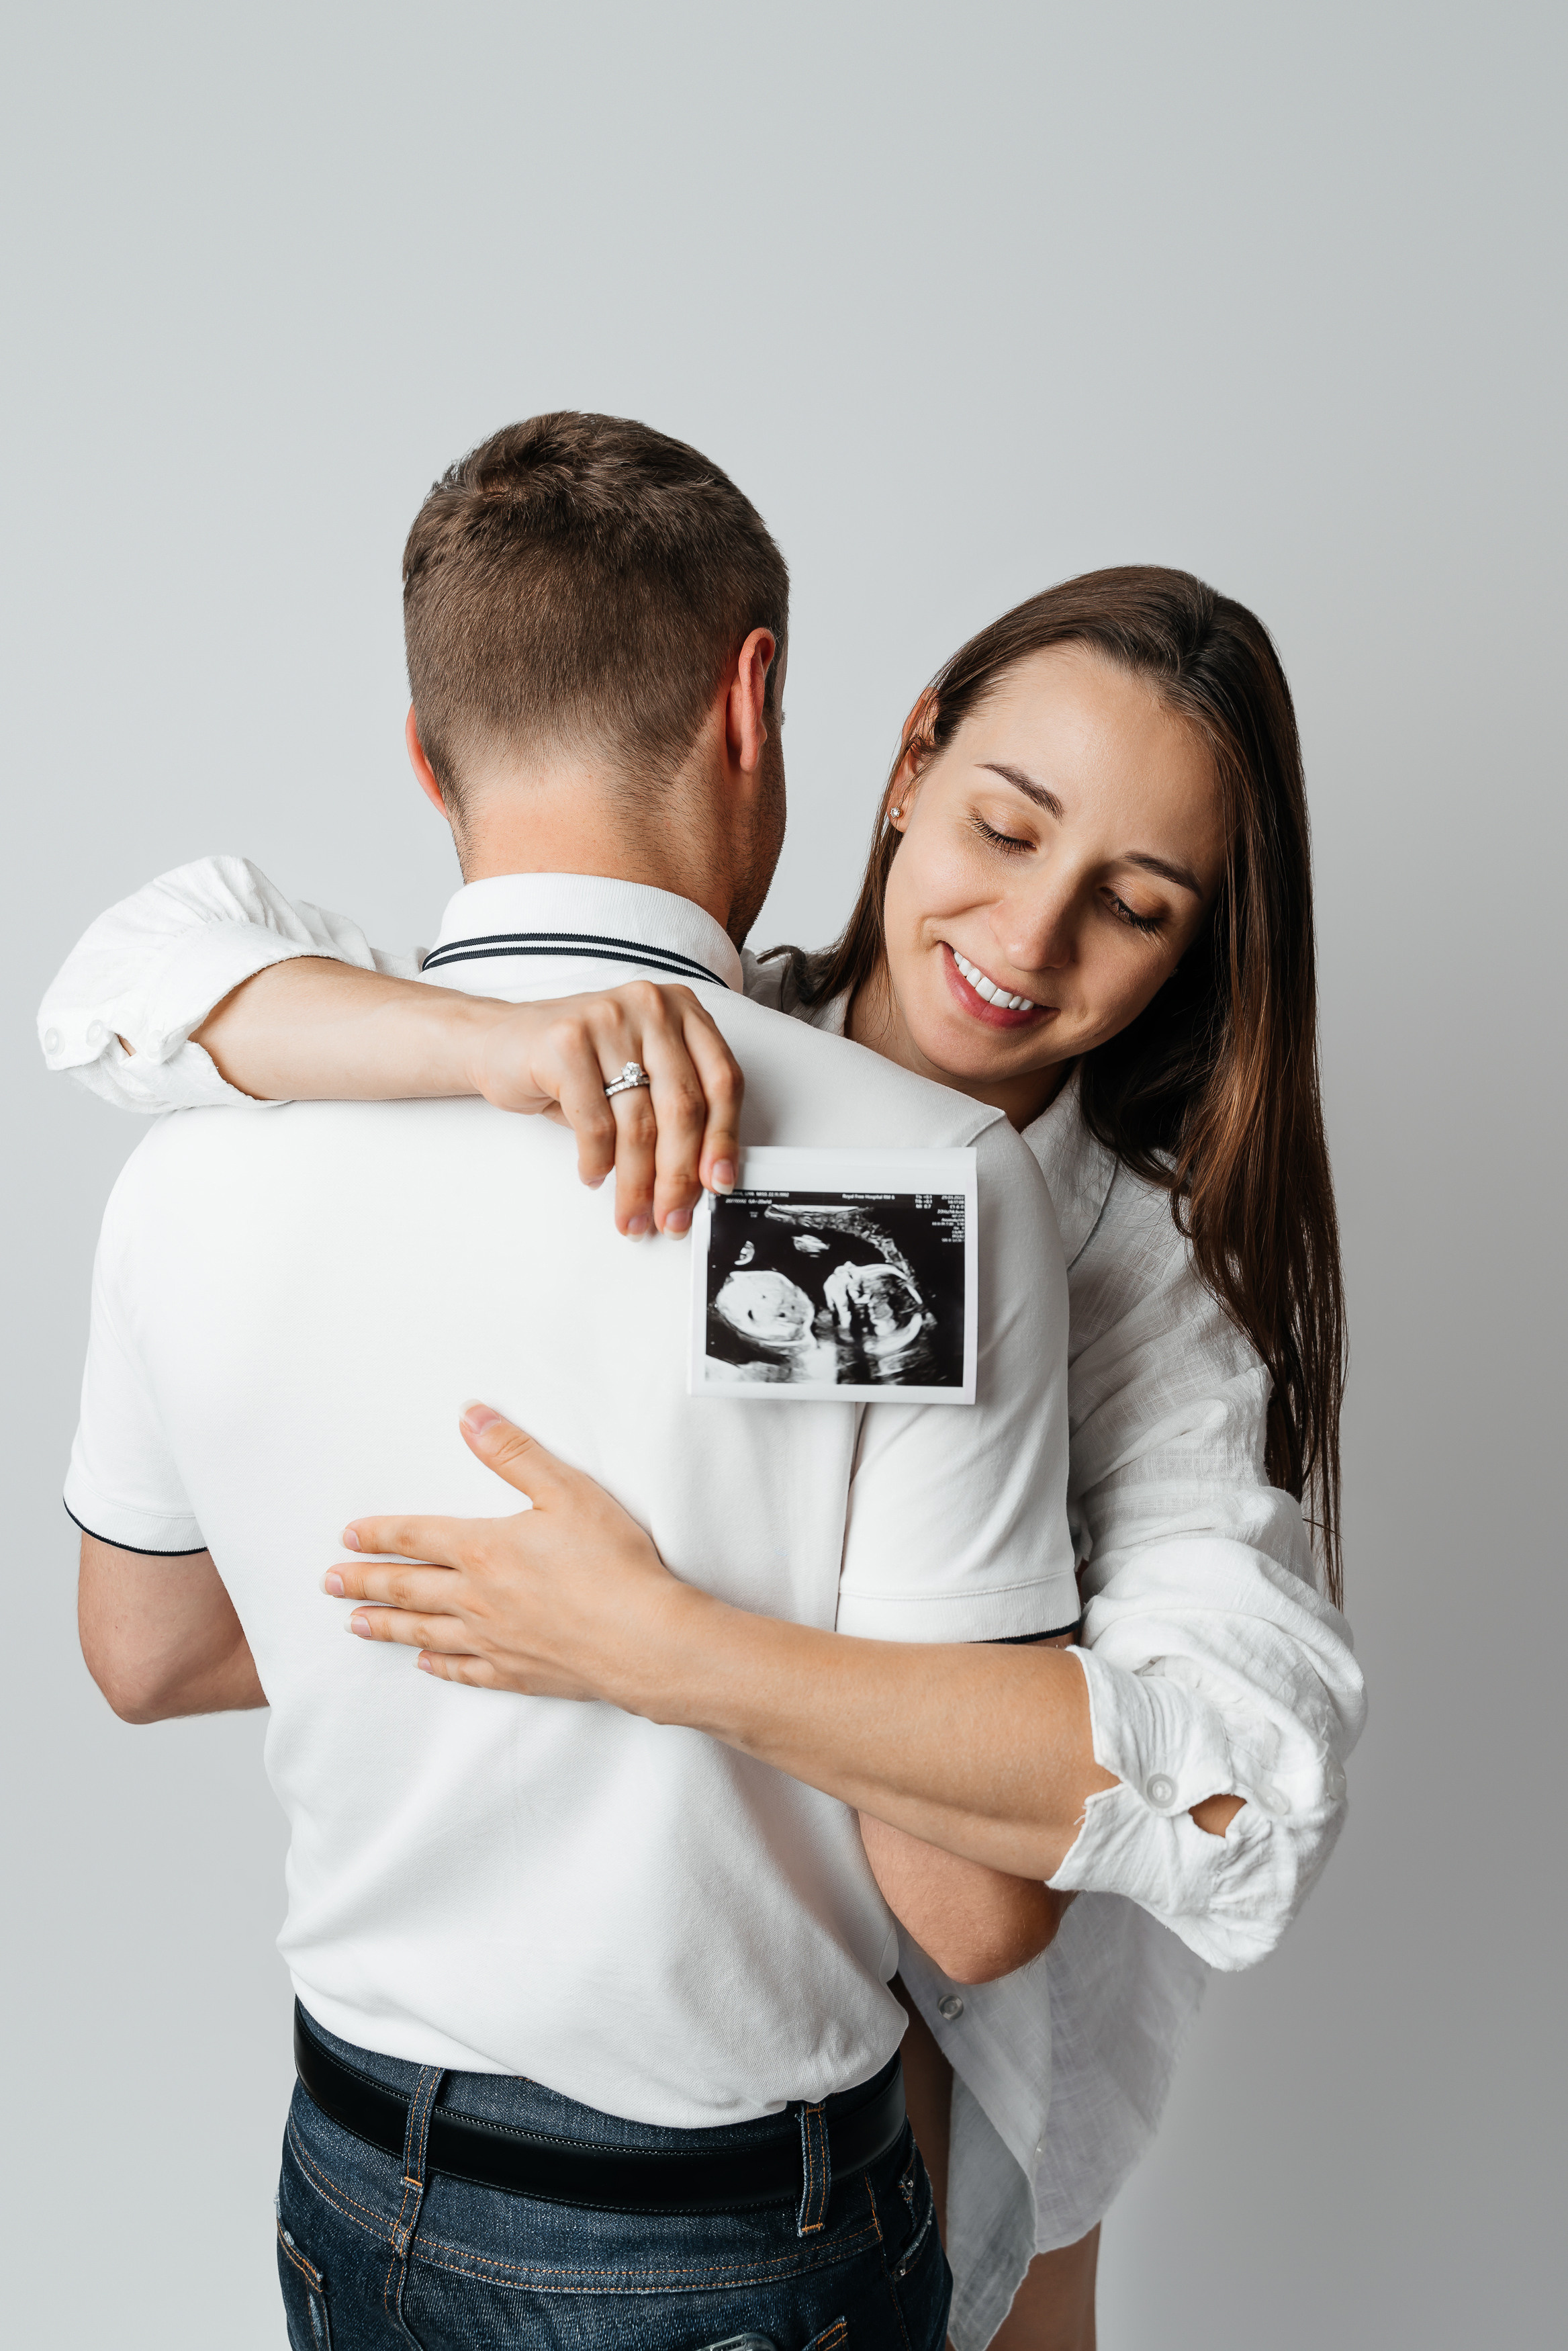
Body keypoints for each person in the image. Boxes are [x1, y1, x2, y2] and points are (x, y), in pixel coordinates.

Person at [42, 549, 1367, 2347]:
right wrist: (492, 1046)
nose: (1028, 934)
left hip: (961, 2171)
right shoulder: (688, 1079)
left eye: (1131, 904)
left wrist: (655, 1648)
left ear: (1197, 948)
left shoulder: (1102, 1287)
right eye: (1002, 822)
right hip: (496, 2161)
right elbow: (141, 970)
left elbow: (1207, 1805)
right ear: (903, 766)